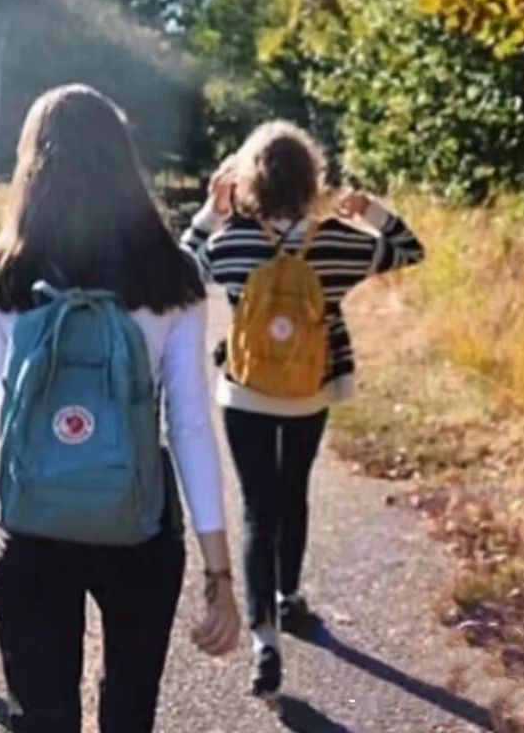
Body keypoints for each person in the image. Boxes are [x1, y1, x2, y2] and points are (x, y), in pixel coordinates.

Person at [0, 84, 241, 733]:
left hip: (32, 527)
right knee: (129, 714)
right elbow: (191, 427)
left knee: (42, 719)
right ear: (125, 164)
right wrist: (219, 570)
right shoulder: (172, 275)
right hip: (139, 527)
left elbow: (6, 410)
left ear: (34, 164)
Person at [182, 120, 425, 701]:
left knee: (258, 511)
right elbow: (408, 250)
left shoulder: (231, 242)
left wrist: (211, 213)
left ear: (248, 180)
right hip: (311, 390)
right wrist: (369, 210)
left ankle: (265, 640)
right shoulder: (338, 240)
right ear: (311, 177)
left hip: (244, 392)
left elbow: (178, 270)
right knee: (294, 491)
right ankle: (290, 595)